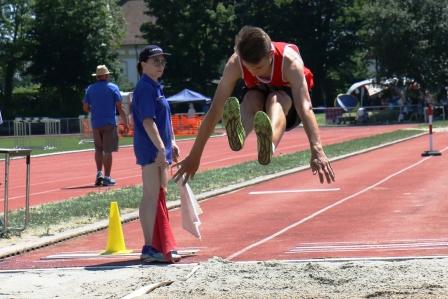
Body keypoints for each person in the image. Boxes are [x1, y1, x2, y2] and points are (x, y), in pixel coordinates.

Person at [173, 26, 334, 184]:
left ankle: (268, 145)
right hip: (258, 96)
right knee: (251, 98)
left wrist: (316, 148)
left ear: (270, 55)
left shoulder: (290, 62)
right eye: (249, 68)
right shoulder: (236, 63)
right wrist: (195, 155)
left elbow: (305, 107)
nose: (255, 73)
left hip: (288, 105)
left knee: (276, 100)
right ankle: (239, 134)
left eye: (258, 67)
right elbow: (215, 110)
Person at [132, 45, 181, 263]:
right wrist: (161, 148)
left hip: (161, 147)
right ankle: (150, 246)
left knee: (161, 195)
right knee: (152, 196)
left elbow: (164, 120)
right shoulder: (144, 88)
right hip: (151, 148)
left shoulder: (156, 86)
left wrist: (172, 142)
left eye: (162, 61)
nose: (160, 65)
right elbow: (147, 121)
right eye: (155, 61)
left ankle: (161, 242)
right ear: (143, 64)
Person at [83, 65, 128, 186]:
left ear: (97, 76)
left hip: (96, 123)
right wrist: (126, 122)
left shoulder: (90, 89)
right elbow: (120, 107)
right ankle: (107, 177)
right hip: (109, 123)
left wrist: (95, 110)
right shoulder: (113, 87)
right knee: (108, 150)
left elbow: (85, 107)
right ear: (107, 75)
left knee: (98, 149)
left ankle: (99, 173)